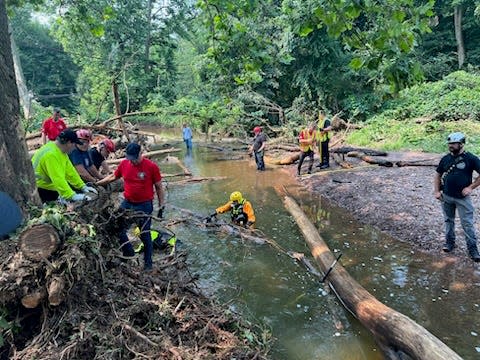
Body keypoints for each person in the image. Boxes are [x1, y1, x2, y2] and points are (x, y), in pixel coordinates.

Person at [96, 143, 165, 271]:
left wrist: (161, 206)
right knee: (117, 228)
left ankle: (148, 264)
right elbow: (113, 176)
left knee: (144, 234)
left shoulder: (151, 167)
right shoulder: (124, 164)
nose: (132, 161)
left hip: (144, 205)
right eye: (130, 158)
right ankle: (128, 252)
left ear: (140, 153)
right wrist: (97, 184)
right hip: (128, 202)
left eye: (134, 158)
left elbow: (159, 187)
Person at [434, 132, 480, 262]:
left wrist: (470, 187)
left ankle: (473, 249)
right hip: (446, 196)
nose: (451, 146)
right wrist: (436, 191)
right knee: (448, 220)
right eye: (450, 144)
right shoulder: (445, 159)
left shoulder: (471, 158)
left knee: (467, 223)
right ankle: (449, 243)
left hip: (463, 199)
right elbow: (438, 175)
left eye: (454, 143)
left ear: (461, 144)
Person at [32, 129, 97, 203]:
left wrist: (82, 186)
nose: (74, 147)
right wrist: (71, 196)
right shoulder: (51, 155)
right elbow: (57, 178)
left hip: (49, 186)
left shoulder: (61, 152)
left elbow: (70, 172)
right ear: (69, 143)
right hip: (40, 189)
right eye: (74, 144)